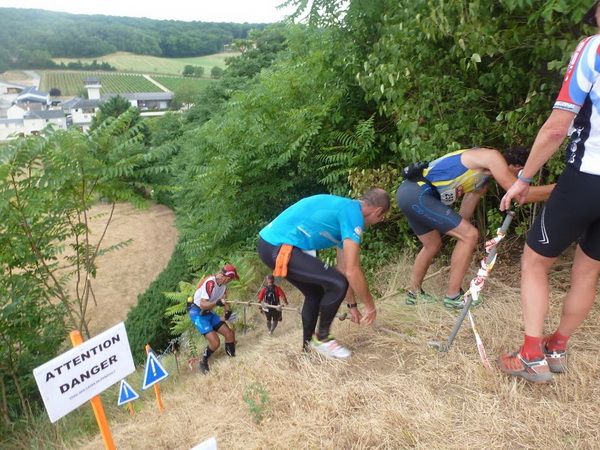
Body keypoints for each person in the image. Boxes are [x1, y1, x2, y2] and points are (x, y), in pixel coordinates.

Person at [497, 2, 600, 383]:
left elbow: (558, 127)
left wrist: (524, 178)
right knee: (587, 271)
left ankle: (530, 355)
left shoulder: (593, 48)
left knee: (535, 263)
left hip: (588, 175)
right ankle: (557, 346)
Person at [396, 147, 554, 308]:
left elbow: (464, 217)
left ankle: (413, 294)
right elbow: (522, 195)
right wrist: (562, 188)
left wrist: (463, 238)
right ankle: (453, 297)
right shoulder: (492, 157)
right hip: (418, 193)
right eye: (522, 177)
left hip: (410, 194)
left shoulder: (482, 180)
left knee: (433, 245)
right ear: (518, 169)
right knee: (470, 235)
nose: (520, 183)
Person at [257, 188, 390, 358]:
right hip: (278, 246)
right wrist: (370, 307)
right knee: (336, 283)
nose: (378, 222)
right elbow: (352, 271)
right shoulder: (352, 214)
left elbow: (344, 269)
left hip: (270, 246)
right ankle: (323, 338)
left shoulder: (347, 215)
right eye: (382, 218)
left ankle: (308, 349)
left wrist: (352, 306)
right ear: (377, 211)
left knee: (316, 292)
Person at [189, 264, 239, 374]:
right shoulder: (210, 282)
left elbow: (225, 301)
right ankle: (203, 362)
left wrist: (227, 312)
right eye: (232, 279)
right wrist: (217, 303)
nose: (231, 281)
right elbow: (202, 304)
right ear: (227, 278)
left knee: (229, 334)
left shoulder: (223, 286)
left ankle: (232, 358)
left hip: (208, 312)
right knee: (215, 342)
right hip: (197, 312)